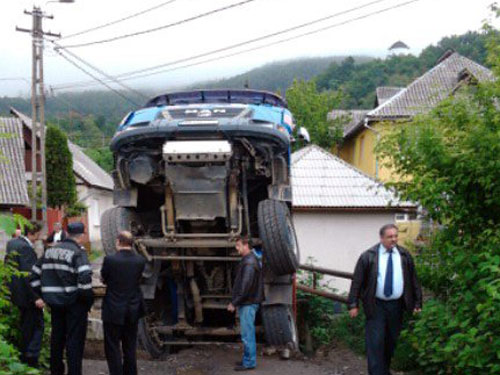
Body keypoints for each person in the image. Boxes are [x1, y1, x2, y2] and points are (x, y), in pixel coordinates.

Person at [348, 224, 423, 375]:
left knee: (390, 342)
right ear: (381, 238)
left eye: (396, 236)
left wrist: (417, 302)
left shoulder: (404, 255)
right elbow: (357, 282)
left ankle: (383, 371)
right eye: (390, 237)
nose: (394, 239)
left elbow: (413, 280)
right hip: (376, 306)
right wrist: (353, 304)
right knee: (375, 343)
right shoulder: (368, 256)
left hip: (397, 306)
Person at [30, 222, 93, 375]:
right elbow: (85, 278)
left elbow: (34, 275)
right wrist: (86, 301)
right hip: (74, 304)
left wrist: (42, 295)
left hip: (55, 304)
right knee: (74, 341)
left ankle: (56, 371)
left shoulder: (50, 251)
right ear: (82, 235)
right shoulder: (78, 252)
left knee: (57, 339)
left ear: (66, 232)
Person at [101, 231, 146, 375]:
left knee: (112, 346)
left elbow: (104, 278)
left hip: (113, 308)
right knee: (130, 346)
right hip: (133, 308)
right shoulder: (140, 260)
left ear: (118, 241)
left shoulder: (110, 259)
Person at [5, 221, 44, 367]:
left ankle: (25, 358)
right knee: (37, 326)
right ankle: (31, 357)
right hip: (28, 296)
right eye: (38, 234)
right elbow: (29, 276)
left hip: (17, 294)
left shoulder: (12, 244)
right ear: (31, 234)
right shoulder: (26, 248)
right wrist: (36, 297)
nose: (39, 237)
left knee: (26, 326)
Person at [227, 236, 264, 371]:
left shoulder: (249, 263)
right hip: (249, 302)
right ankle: (247, 359)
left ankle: (249, 363)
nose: (236, 248)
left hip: (248, 303)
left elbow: (246, 287)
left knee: (247, 334)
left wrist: (234, 303)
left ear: (246, 245)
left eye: (238, 245)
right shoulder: (250, 260)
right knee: (247, 333)